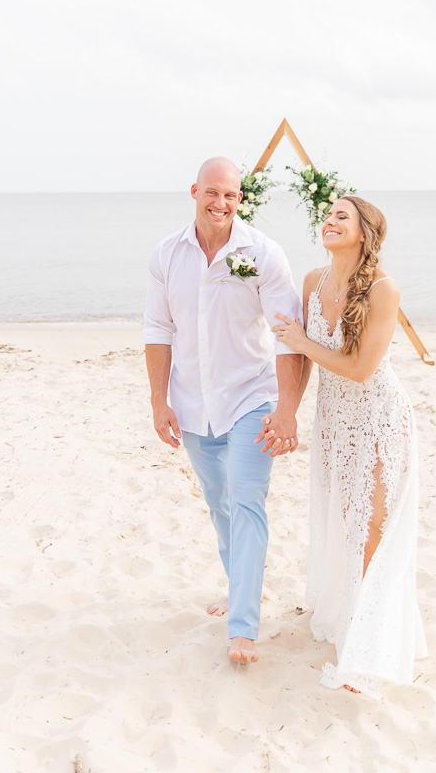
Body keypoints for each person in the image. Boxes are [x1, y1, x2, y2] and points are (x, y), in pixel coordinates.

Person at [144, 157, 304, 665]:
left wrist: (287, 408)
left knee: (246, 499)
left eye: (231, 196)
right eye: (212, 193)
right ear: (195, 190)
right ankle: (242, 590)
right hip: (193, 404)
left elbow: (288, 337)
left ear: (240, 199)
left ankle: (243, 628)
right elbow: (158, 329)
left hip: (252, 397)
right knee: (219, 502)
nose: (220, 203)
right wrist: (158, 400)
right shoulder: (167, 255)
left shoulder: (263, 253)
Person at [270, 195, 428, 695]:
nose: (331, 220)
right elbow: (308, 359)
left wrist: (300, 341)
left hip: (379, 419)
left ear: (364, 231)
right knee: (345, 523)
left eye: (343, 215)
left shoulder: (384, 289)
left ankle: (369, 649)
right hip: (334, 422)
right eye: (328, 214)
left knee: (372, 530)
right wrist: (288, 408)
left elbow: (361, 369)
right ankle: (352, 623)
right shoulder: (313, 282)